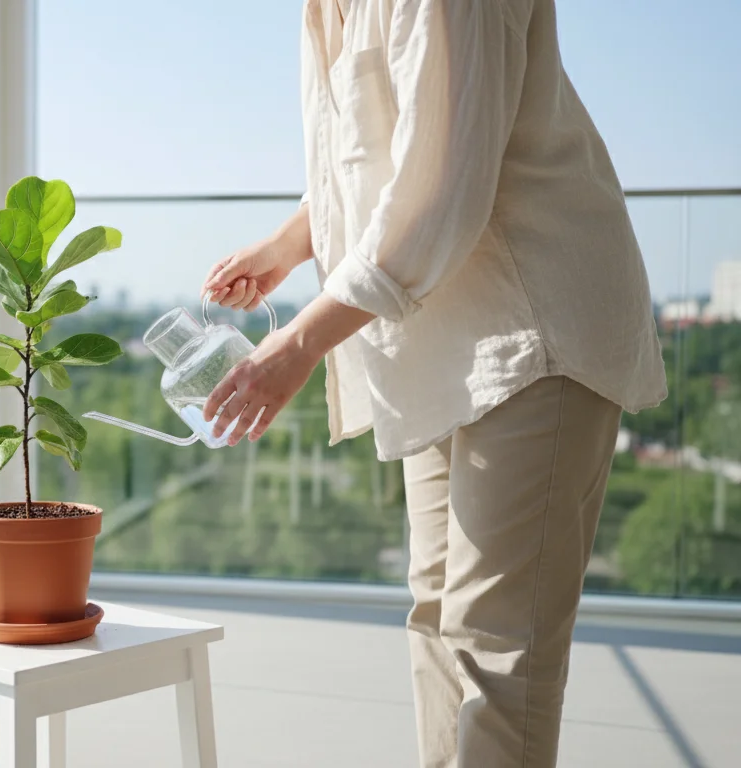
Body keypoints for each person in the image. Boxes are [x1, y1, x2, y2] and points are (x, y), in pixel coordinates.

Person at [200, 1, 667, 766]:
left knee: (496, 644)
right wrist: (288, 245)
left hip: (531, 325)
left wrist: (296, 346)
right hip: (435, 340)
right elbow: (380, 149)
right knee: (438, 618)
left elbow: (442, 183)